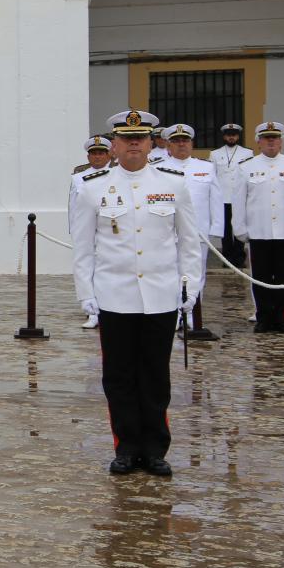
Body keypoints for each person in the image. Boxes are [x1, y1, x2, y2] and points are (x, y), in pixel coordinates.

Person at [71, 110, 200, 477]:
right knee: (119, 377)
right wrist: (86, 293)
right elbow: (83, 247)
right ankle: (126, 447)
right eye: (126, 139)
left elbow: (190, 241)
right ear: (113, 144)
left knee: (156, 375)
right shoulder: (92, 186)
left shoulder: (174, 183)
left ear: (150, 143)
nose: (133, 144)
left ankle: (156, 449)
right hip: (115, 295)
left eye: (140, 138)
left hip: (160, 294)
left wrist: (190, 285)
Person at [231, 121, 284, 334]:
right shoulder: (246, 167)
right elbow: (238, 200)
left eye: (275, 138)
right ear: (258, 142)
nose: (271, 142)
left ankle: (282, 318)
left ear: (281, 141)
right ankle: (264, 317)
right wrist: (239, 227)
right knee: (261, 276)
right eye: (266, 138)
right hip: (259, 230)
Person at [159, 124, 224, 306]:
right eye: (176, 141)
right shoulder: (158, 169)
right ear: (168, 145)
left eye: (185, 141)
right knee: (169, 273)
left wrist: (216, 228)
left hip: (198, 231)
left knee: (196, 273)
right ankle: (172, 312)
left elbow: (215, 200)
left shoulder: (206, 167)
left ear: (191, 143)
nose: (181, 144)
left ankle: (191, 315)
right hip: (167, 232)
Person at [69, 136, 112, 328]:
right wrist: (74, 230)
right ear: (88, 156)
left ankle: (107, 307)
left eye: (101, 153)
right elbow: (73, 206)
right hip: (87, 230)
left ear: (108, 154)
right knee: (88, 268)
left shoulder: (115, 174)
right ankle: (92, 312)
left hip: (109, 229)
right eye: (94, 153)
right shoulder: (78, 178)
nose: (97, 157)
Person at [210, 123, 253, 268]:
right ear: (224, 136)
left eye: (234, 134)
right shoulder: (215, 154)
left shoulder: (247, 153)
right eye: (228, 134)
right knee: (226, 230)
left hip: (240, 197)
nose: (231, 137)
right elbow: (213, 177)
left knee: (239, 227)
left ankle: (240, 258)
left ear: (238, 136)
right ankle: (227, 259)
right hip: (223, 198)